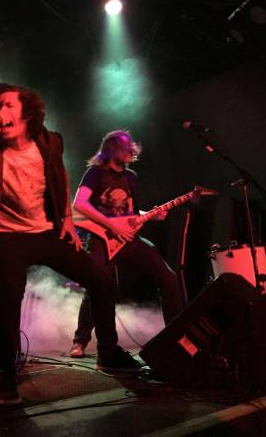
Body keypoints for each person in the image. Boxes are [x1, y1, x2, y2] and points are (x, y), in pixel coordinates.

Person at [0, 83, 140, 406]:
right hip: (8, 237)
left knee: (101, 283)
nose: (0, 112)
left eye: (8, 105)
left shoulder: (50, 141)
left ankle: (108, 353)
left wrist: (67, 219)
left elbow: (60, 173)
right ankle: (5, 378)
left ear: (27, 112)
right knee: (9, 300)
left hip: (46, 233)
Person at [68, 130, 185, 358]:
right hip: (102, 240)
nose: (132, 150)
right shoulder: (95, 173)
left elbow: (130, 214)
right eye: (127, 147)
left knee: (169, 279)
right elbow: (79, 204)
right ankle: (80, 340)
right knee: (98, 286)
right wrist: (112, 226)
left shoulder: (131, 176)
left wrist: (151, 215)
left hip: (129, 240)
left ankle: (175, 336)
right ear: (112, 149)